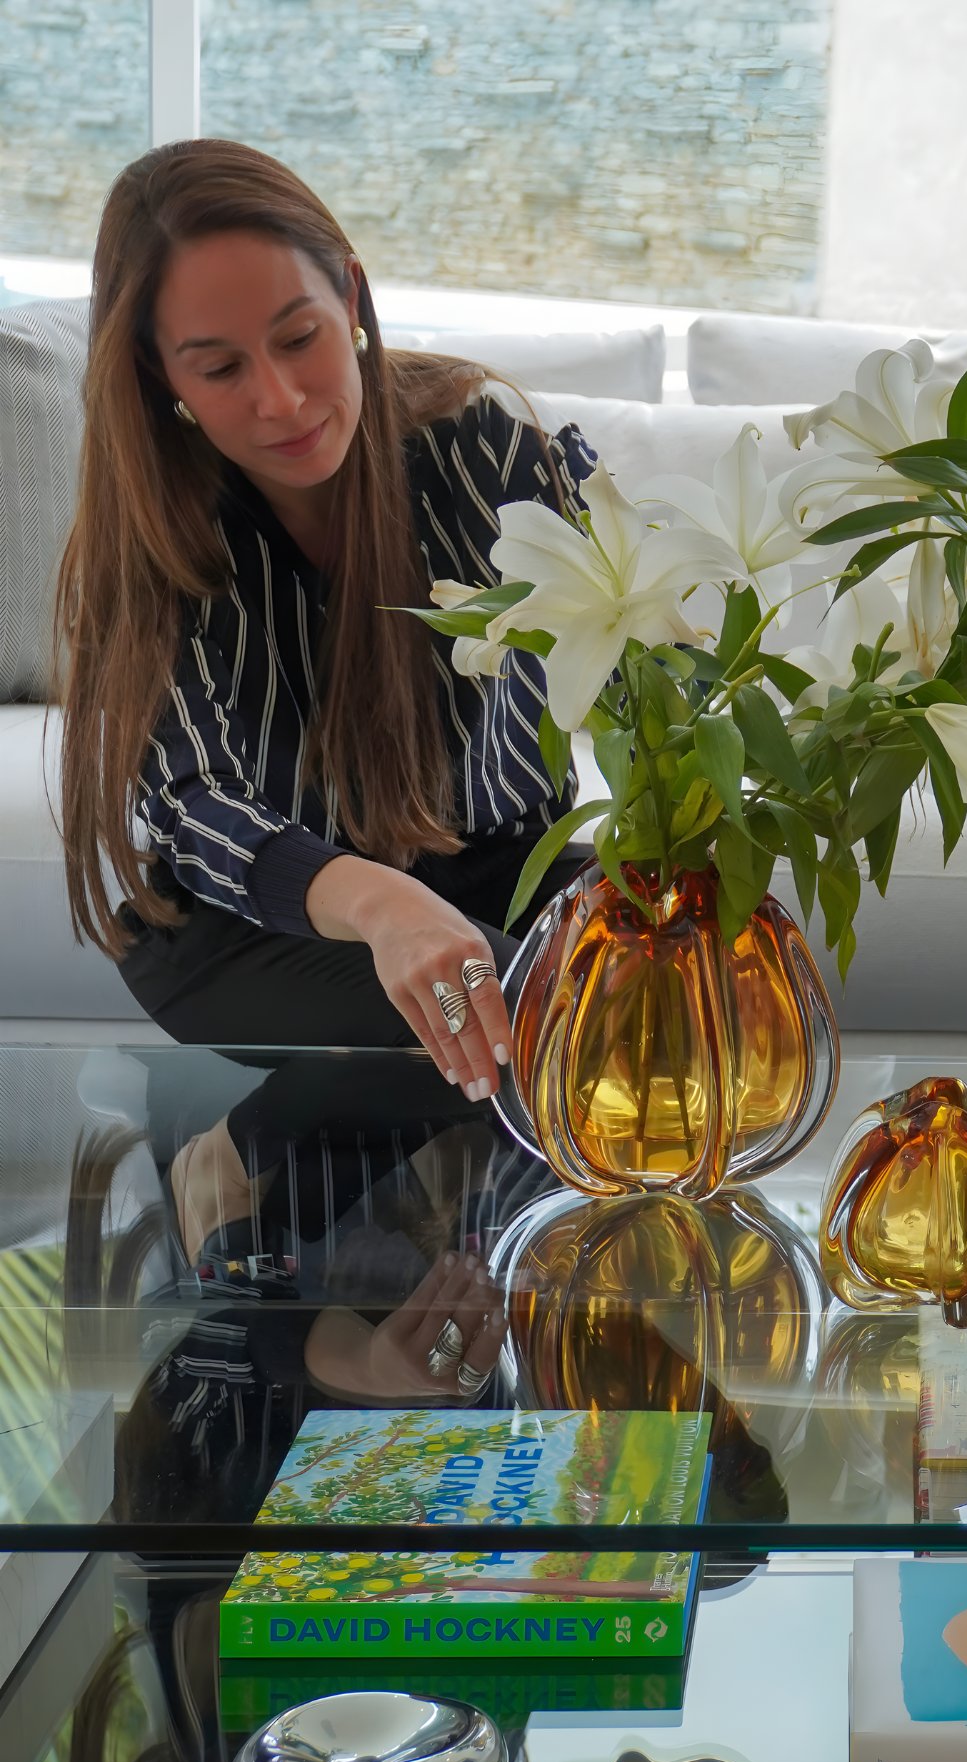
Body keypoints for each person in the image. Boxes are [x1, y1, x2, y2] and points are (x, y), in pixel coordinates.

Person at [53, 140, 595, 1295]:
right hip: (249, 926)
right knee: (495, 1006)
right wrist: (385, 904)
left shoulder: (481, 445)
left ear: (349, 294)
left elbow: (601, 684)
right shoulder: (164, 527)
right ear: (162, 379)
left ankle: (384, 1189)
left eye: (297, 337)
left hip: (483, 869)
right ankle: (237, 1160)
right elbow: (194, 806)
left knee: (670, 988)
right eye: (220, 367)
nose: (283, 399)